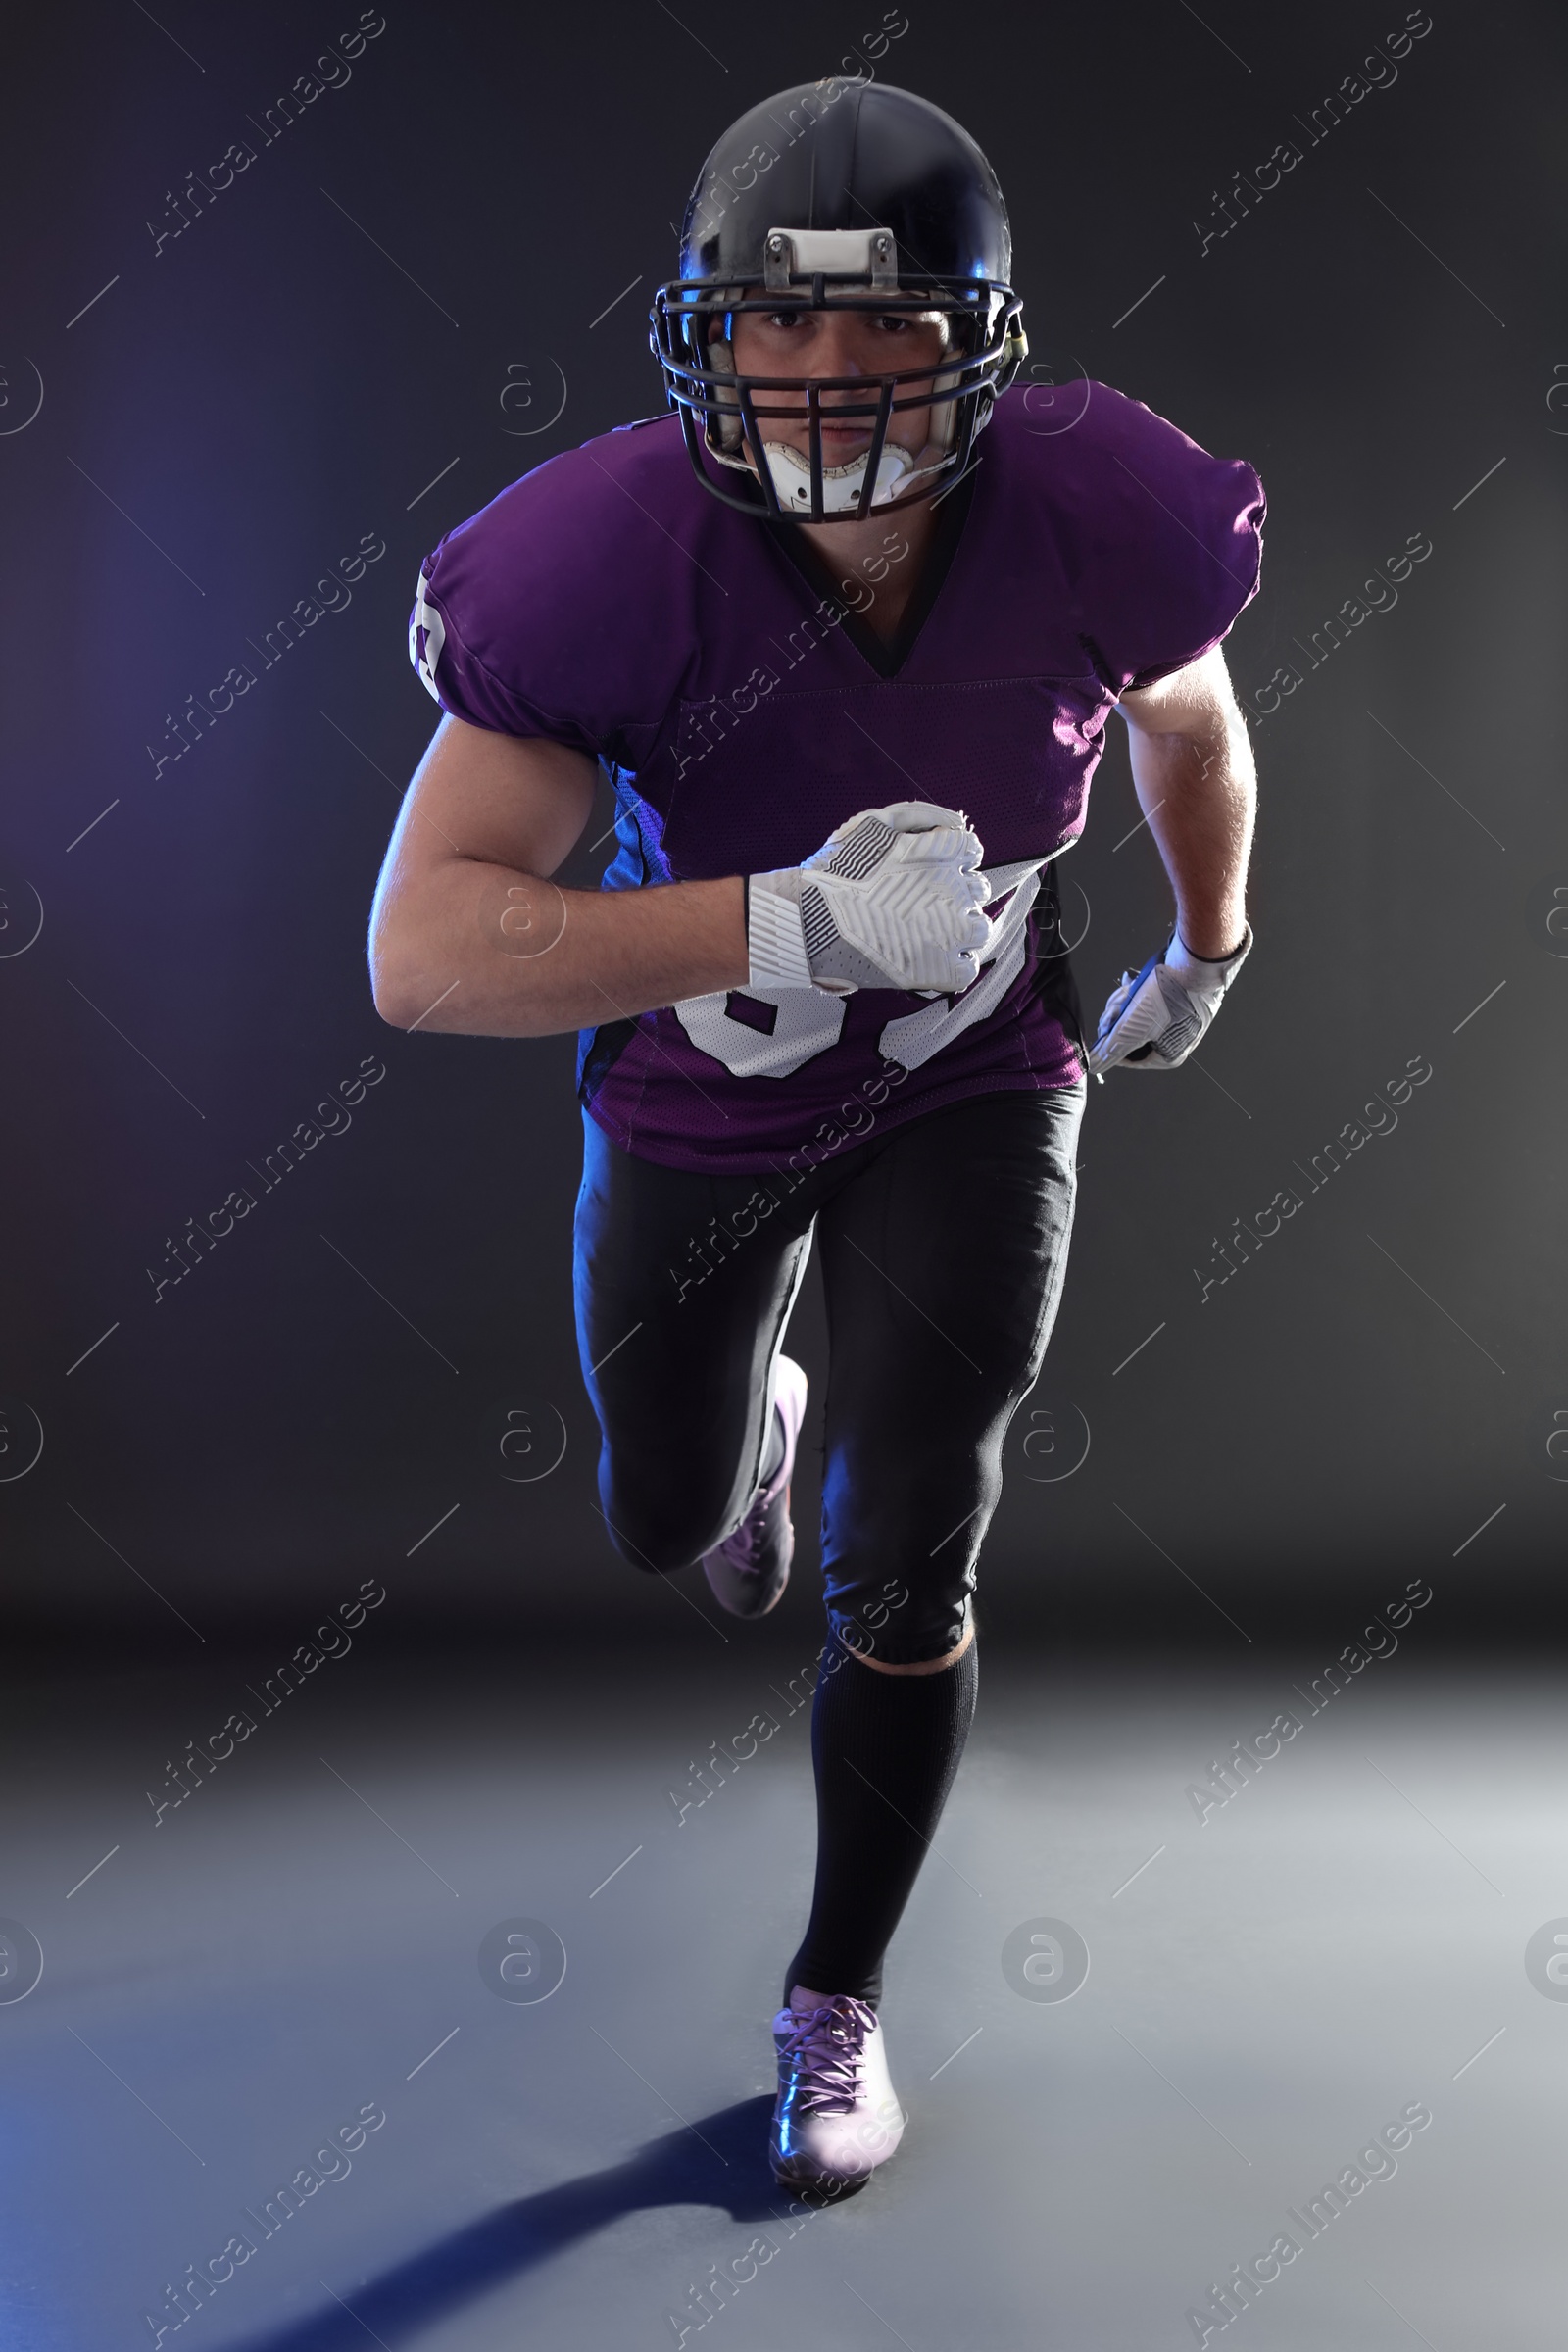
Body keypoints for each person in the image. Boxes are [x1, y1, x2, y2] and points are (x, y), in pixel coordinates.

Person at [368, 76, 1263, 2196]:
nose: (830, 375)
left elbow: (1192, 719)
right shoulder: (597, 562)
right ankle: (747, 1429)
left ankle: (834, 1996)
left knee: (908, 1536)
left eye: (882, 330)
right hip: (703, 1086)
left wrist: (1209, 944)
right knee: (662, 1515)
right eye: (776, 327)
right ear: (704, 337)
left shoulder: (1092, 510)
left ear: (980, 341)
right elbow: (419, 953)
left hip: (971, 1070)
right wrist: (773, 919)